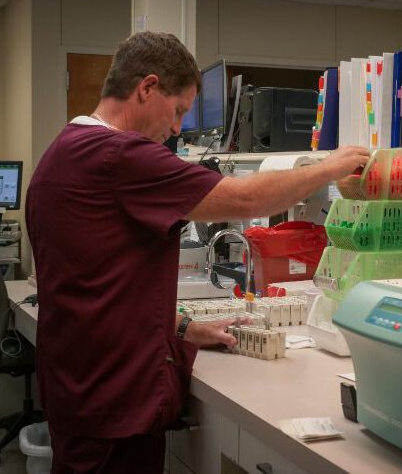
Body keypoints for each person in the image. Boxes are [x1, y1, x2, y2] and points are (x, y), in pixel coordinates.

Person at [25, 31, 369, 473]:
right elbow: (245, 200)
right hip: (110, 399)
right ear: (147, 88)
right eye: (178, 111)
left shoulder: (64, 150)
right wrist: (332, 165)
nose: (175, 128)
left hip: (80, 388)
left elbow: (99, 286)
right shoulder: (120, 155)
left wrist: (181, 326)